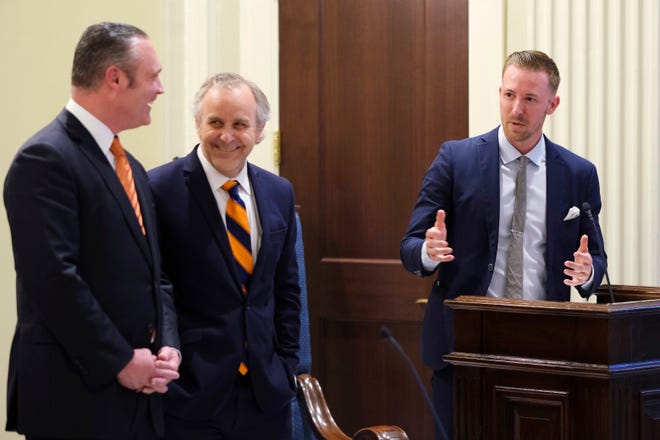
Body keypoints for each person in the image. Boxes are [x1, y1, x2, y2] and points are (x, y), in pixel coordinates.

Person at [400, 50, 607, 440]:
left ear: (552, 104)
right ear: (499, 92)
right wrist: (428, 252)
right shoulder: (455, 159)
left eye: (530, 99)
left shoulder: (579, 173)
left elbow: (596, 258)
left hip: (544, 346)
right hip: (462, 344)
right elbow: (410, 246)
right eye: (509, 95)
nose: (517, 108)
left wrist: (588, 271)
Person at [3, 22, 181, 440]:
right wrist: (121, 360)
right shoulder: (45, 159)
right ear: (115, 78)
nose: (160, 89)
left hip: (140, 399)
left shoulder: (131, 167)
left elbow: (156, 275)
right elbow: (54, 282)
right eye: (154, 76)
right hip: (75, 397)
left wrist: (167, 345)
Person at [148, 72, 301, 439]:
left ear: (260, 129)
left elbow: (287, 288)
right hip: (190, 395)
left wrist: (287, 365)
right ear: (198, 123)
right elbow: (155, 286)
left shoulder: (279, 191)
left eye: (240, 124)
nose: (227, 136)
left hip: (265, 395)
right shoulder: (158, 188)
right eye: (215, 122)